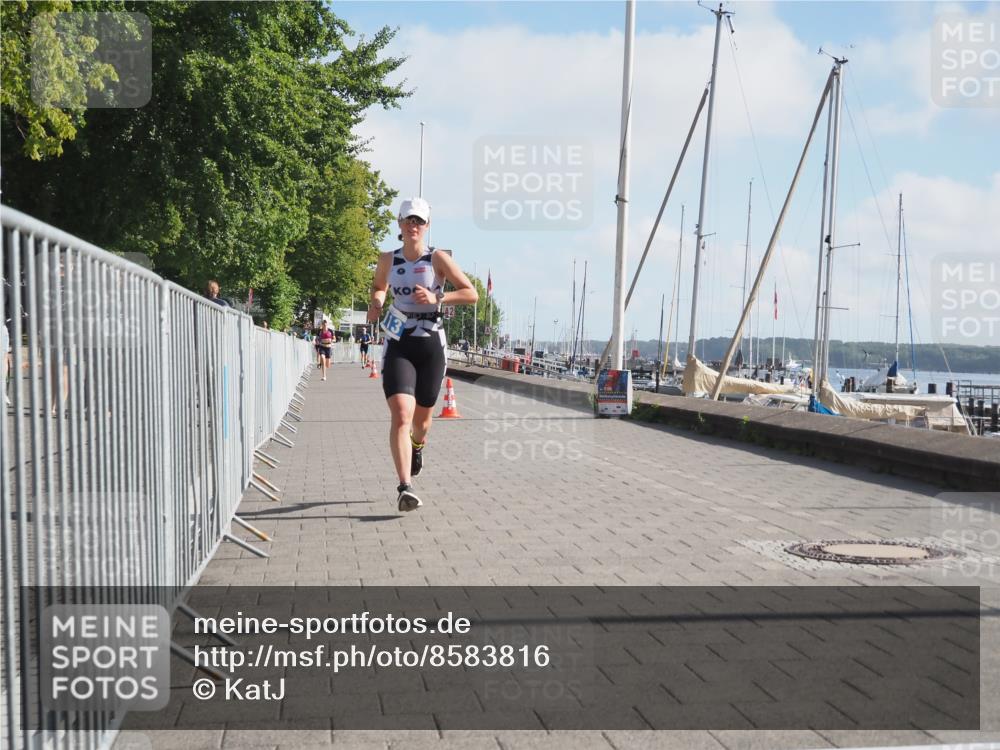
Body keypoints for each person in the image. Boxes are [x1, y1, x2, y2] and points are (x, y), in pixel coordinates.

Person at [368, 197, 478, 512]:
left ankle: (417, 446)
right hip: (398, 340)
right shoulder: (388, 259)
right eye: (408, 221)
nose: (413, 226)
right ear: (400, 225)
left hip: (431, 343)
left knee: (423, 423)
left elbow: (471, 294)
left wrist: (437, 296)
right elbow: (378, 286)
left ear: (426, 226)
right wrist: (377, 300)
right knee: (401, 414)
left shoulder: (437, 258)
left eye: (419, 221)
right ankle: (405, 487)